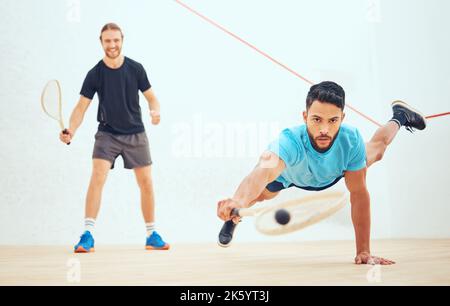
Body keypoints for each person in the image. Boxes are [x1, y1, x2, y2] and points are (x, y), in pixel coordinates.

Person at [217, 81, 426, 265]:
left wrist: (363, 251)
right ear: (305, 116)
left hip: (335, 170)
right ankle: (233, 215)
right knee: (260, 194)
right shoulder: (288, 142)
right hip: (290, 176)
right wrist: (238, 201)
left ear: (342, 118)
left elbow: (359, 195)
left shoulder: (350, 140)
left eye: (333, 121)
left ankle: (400, 116)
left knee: (377, 150)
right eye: (316, 120)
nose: (324, 129)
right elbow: (260, 173)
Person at [60, 23, 169, 253]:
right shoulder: (95, 74)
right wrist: (71, 129)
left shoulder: (136, 69)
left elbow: (152, 98)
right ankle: (87, 235)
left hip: (135, 133)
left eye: (116, 40)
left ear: (122, 40)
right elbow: (81, 107)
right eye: (108, 41)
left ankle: (151, 235)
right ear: (101, 42)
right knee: (97, 177)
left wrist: (155, 111)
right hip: (107, 134)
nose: (112, 45)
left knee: (146, 183)